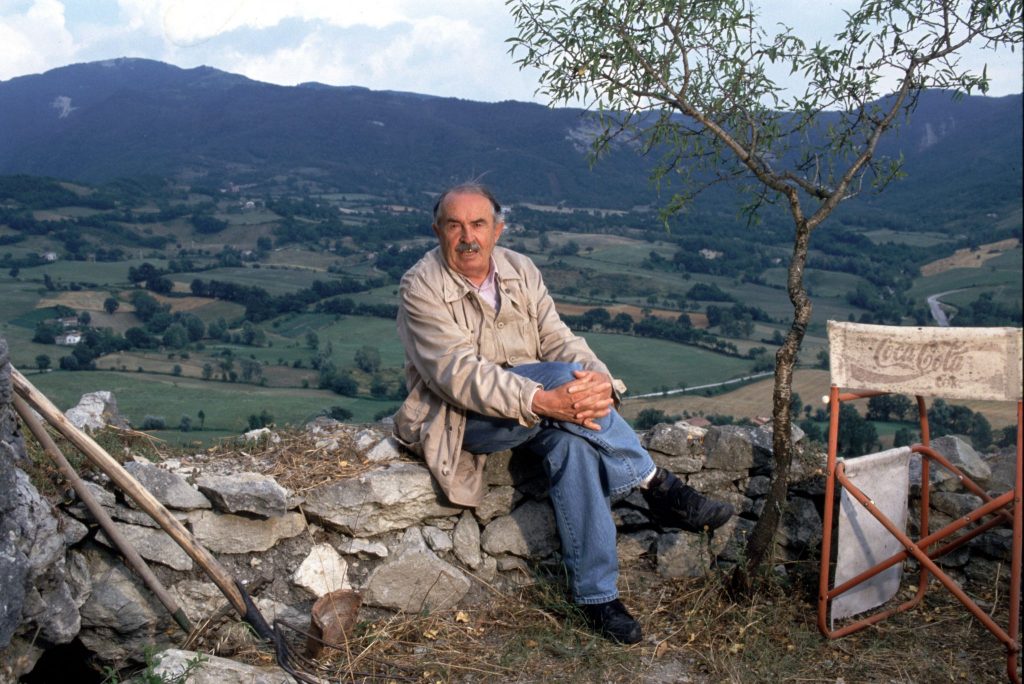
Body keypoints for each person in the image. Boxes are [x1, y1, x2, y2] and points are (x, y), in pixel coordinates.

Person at [393, 182, 733, 644]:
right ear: (438, 231)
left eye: (478, 224)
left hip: (537, 415)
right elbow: (457, 374)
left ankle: (598, 599)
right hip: (462, 420)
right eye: (455, 226)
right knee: (557, 376)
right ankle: (657, 486)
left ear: (497, 230)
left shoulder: (520, 269)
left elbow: (559, 339)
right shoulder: (421, 284)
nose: (468, 237)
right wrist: (542, 399)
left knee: (575, 446)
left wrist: (601, 383)